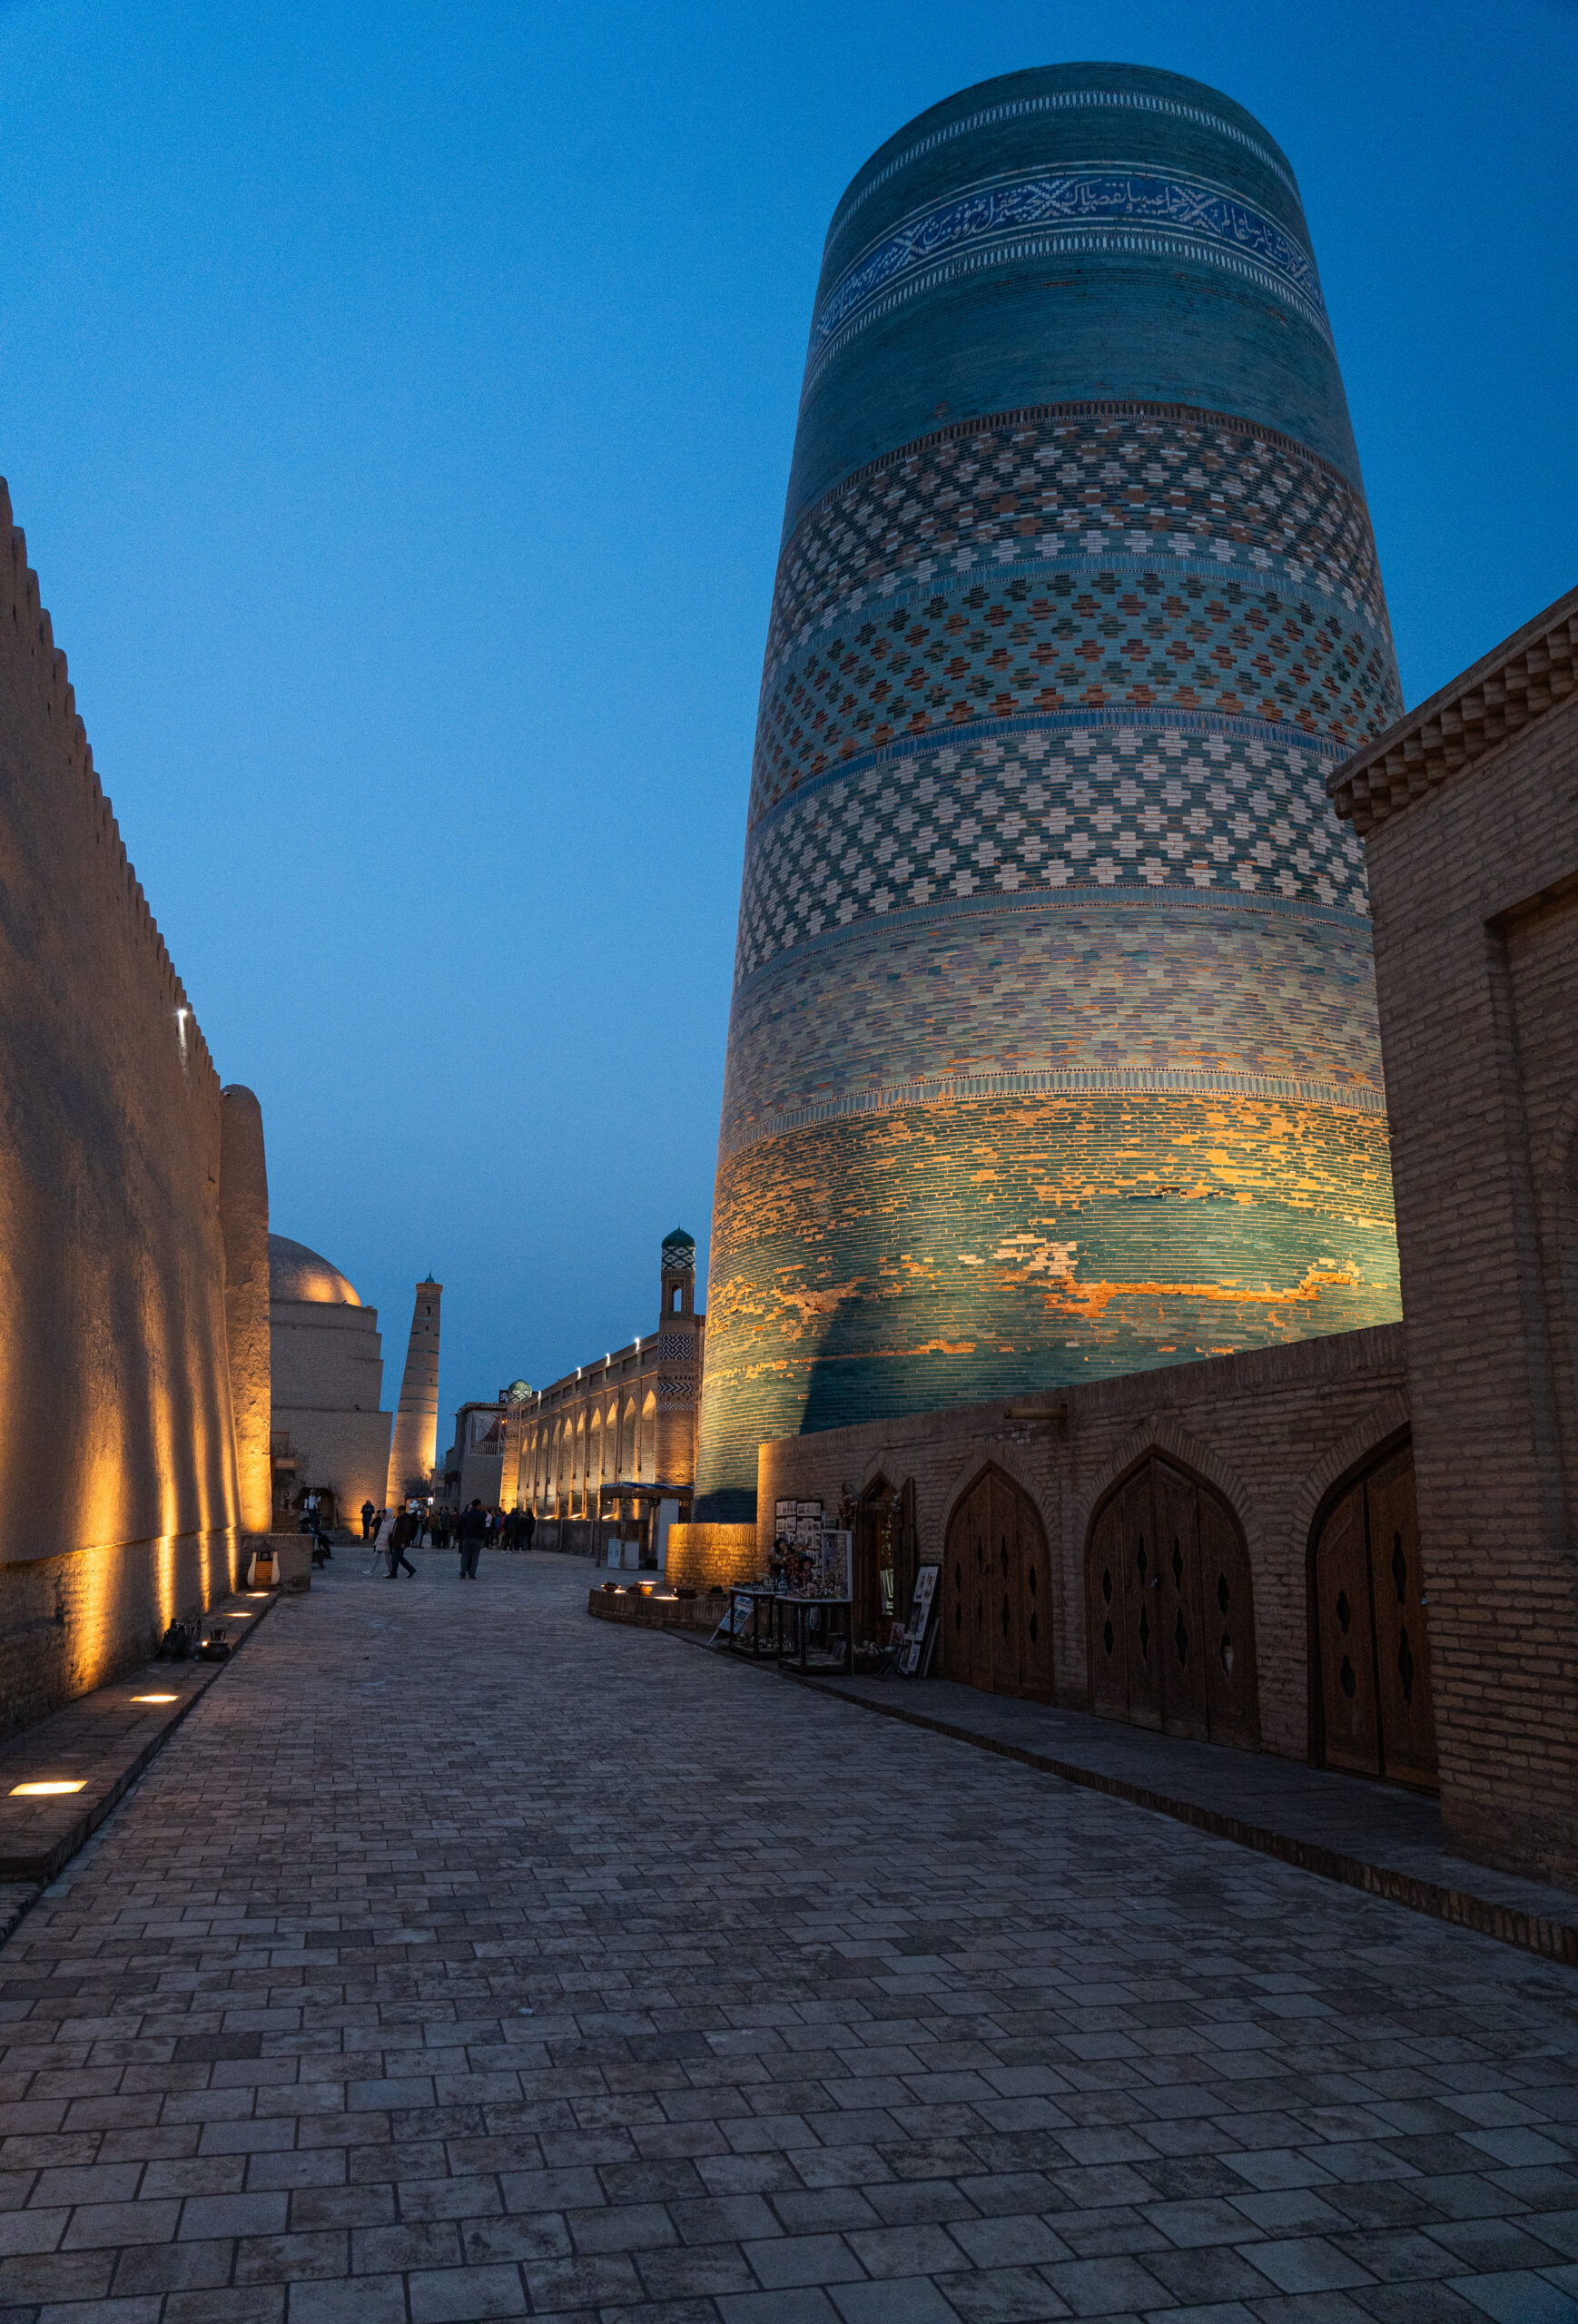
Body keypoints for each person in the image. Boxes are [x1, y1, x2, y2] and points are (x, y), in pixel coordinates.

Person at [457, 1499, 488, 1580]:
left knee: (465, 1556)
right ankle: (472, 1573)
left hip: (467, 1538)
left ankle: (463, 1573)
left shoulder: (466, 1515)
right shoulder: (481, 1516)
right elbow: (483, 1528)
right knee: (475, 1557)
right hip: (477, 1539)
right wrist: (482, 1538)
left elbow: (460, 1526)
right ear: (478, 1505)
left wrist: (461, 1536)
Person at [387, 1507, 417, 1580]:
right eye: (398, 1511)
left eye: (400, 1511)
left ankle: (394, 1574)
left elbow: (406, 1532)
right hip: (397, 1541)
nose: (399, 1512)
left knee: (395, 1558)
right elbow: (395, 1529)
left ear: (403, 1511)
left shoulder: (406, 1520)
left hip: (401, 1542)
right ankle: (411, 1570)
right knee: (399, 1558)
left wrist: (403, 1542)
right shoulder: (399, 1518)